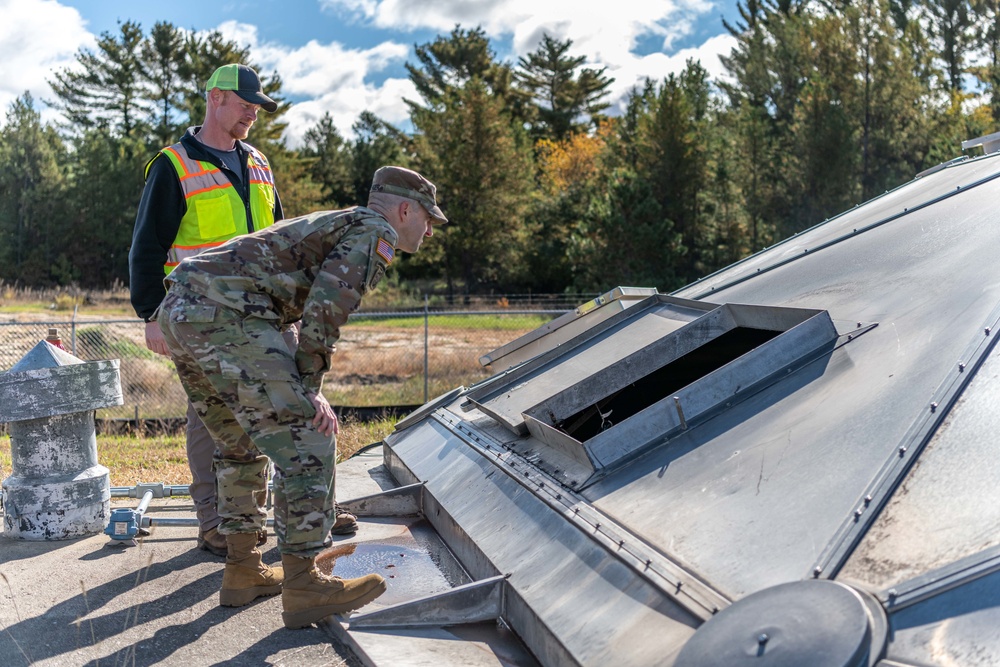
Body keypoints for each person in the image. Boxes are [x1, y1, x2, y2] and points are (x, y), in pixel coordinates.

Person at [157, 166, 447, 626]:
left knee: (238, 444)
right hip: (228, 310)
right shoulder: (375, 231)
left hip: (181, 306)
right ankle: (304, 584)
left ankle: (243, 569)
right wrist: (309, 392)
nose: (430, 229)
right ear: (405, 209)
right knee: (310, 437)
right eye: (428, 218)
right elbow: (325, 311)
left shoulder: (343, 222)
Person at [128, 64, 359, 557]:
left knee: (300, 404)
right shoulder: (173, 166)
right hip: (203, 317)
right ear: (214, 98)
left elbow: (282, 239)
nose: (253, 113)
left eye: (258, 106)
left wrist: (293, 306)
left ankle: (313, 505)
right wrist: (151, 315)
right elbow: (146, 248)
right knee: (212, 421)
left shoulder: (257, 163)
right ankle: (218, 524)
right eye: (245, 103)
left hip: (270, 312)